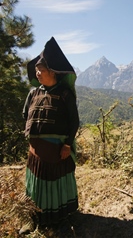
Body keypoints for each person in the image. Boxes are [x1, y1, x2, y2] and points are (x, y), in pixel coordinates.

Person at [21, 37, 79, 234]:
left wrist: (67, 145)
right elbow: (26, 115)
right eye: (36, 70)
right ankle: (33, 219)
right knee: (35, 185)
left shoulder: (64, 94)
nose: (37, 73)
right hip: (35, 152)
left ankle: (59, 219)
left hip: (57, 151)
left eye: (41, 70)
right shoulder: (33, 94)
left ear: (52, 72)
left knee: (55, 186)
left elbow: (74, 122)